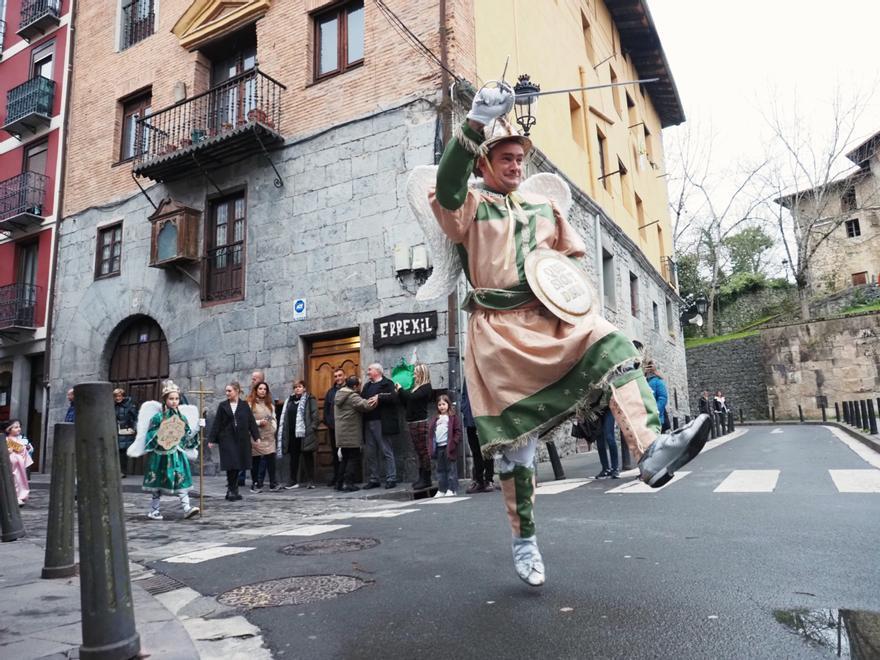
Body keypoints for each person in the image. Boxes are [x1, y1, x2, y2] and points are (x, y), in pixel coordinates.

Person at [425, 86, 711, 586]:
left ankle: (651, 450)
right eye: (506, 158)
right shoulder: (468, 206)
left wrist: (576, 309)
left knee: (612, 342)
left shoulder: (543, 210)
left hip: (545, 319)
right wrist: (474, 122)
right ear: (484, 162)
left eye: (520, 158)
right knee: (519, 450)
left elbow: (563, 270)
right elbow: (447, 187)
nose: (516, 165)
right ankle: (524, 540)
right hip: (498, 335)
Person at [130, 381, 201, 520]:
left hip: (176, 455)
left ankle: (187, 508)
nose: (174, 401)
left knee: (180, 479)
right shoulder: (158, 417)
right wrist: (161, 434)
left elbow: (186, 437)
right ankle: (154, 510)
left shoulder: (182, 418)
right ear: (165, 400)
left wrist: (198, 427)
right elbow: (150, 435)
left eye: (177, 399)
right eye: (171, 399)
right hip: (160, 456)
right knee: (158, 483)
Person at [207, 381, 260, 501]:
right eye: (226, 391)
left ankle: (233, 490)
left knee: (237, 464)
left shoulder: (244, 405)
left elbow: (251, 421)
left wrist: (256, 436)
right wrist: (211, 439)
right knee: (231, 463)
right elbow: (217, 423)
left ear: (237, 391)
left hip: (241, 439)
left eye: (229, 391)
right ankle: (231, 489)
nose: (227, 393)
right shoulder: (222, 406)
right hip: (227, 438)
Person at [334, 376, 377, 492]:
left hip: (342, 433)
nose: (360, 387)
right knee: (353, 458)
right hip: (351, 433)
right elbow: (366, 406)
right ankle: (348, 483)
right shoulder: (352, 396)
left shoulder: (339, 394)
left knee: (344, 459)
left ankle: (339, 483)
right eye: (359, 385)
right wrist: (376, 399)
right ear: (355, 386)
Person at [395, 363, 434, 490]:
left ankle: (426, 478)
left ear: (422, 373)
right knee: (419, 451)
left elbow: (411, 398)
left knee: (423, 451)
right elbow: (407, 401)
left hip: (420, 422)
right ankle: (421, 476)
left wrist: (401, 389)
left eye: (416, 372)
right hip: (413, 421)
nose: (414, 375)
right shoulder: (416, 387)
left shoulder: (426, 387)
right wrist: (400, 393)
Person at [360, 363, 399, 489]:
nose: (368, 372)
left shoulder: (388, 383)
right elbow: (361, 399)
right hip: (368, 421)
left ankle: (391, 478)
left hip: (382, 421)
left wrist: (379, 397)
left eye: (370, 369)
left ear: (377, 371)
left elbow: (394, 397)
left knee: (386, 450)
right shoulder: (367, 386)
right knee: (371, 452)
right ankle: (374, 478)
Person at [280, 380, 319, 489]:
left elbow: (315, 415)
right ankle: (293, 480)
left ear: (304, 388)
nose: (297, 389)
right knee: (293, 457)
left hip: (305, 433)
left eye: (300, 386)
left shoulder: (310, 399)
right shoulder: (289, 401)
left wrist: (312, 428)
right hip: (292, 433)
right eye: (295, 387)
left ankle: (310, 480)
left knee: (307, 457)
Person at [462, 381, 494, 493]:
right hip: (470, 418)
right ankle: (478, 480)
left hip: (484, 418)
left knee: (488, 449)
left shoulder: (484, 373)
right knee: (475, 452)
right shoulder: (468, 376)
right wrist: (464, 408)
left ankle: (489, 479)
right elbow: (464, 395)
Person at [247, 381, 279, 493]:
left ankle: (273, 483)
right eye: (260, 389)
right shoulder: (250, 404)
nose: (262, 391)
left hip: (269, 436)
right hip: (257, 435)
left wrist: (274, 427)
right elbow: (248, 420)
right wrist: (259, 422)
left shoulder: (269, 404)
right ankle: (256, 483)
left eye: (265, 389)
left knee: (271, 459)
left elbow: (273, 417)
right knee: (256, 460)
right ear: (256, 390)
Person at [428, 394, 462, 497]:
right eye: (439, 405)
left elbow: (457, 431)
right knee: (440, 469)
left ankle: (452, 489)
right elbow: (431, 432)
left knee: (451, 469)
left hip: (448, 447)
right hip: (438, 447)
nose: (441, 407)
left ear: (448, 404)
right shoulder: (436, 418)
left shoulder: (452, 417)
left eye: (443, 404)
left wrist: (454, 442)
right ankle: (442, 489)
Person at [323, 369, 345, 488]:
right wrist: (329, 422)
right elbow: (326, 409)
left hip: (346, 428)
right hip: (333, 428)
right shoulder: (330, 392)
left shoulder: (349, 390)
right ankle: (336, 477)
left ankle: (346, 478)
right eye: (336, 376)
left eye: (340, 375)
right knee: (335, 453)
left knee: (346, 453)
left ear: (344, 376)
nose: (338, 378)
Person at [6, 420, 33, 506]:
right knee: (14, 479)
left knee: (21, 479)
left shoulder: (22, 438)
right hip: (12, 463)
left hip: (20, 462)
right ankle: (15, 496)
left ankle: (20, 496)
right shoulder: (6, 439)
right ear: (9, 429)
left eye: (19, 427)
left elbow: (28, 448)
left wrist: (27, 447)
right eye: (16, 427)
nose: (19, 429)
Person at [114, 388, 138, 478]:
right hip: (115, 431)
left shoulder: (130, 406)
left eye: (119, 396)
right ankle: (116, 471)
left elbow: (135, 418)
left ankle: (122, 471)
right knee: (116, 451)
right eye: (116, 396)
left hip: (125, 431)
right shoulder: (113, 405)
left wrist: (134, 428)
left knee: (122, 452)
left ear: (123, 396)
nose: (117, 398)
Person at [644, 360, 670, 433]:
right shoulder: (645, 382)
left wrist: (655, 412)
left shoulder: (658, 381)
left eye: (650, 367)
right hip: (647, 418)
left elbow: (662, 398)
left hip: (656, 418)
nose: (649, 369)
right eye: (647, 367)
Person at [594, 410, 619, 479]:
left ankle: (615, 469)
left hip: (608, 409)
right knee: (599, 441)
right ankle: (605, 469)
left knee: (609, 437)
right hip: (595, 410)